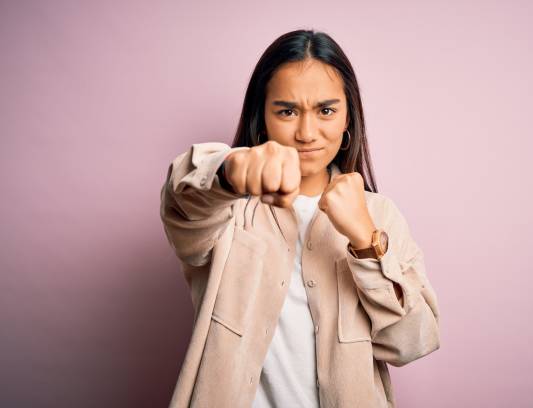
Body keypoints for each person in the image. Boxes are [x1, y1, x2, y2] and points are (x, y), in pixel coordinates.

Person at [160, 29, 440, 408]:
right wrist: (229, 170)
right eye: (287, 111)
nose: (307, 133)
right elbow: (183, 200)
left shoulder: (379, 214)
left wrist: (365, 239)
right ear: (263, 119)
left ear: (347, 120)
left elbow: (413, 342)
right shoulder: (226, 207)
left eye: (326, 110)